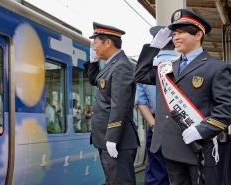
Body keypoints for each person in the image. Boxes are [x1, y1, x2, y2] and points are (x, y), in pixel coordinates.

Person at [135, 9, 231, 185]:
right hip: (171, 147)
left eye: (182, 32)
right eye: (174, 33)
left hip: (199, 148)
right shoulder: (167, 67)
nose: (176, 37)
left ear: (198, 34)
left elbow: (226, 109)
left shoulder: (216, 68)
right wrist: (154, 47)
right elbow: (140, 75)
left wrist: (201, 130)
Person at [84, 22, 140, 185]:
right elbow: (96, 81)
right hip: (108, 139)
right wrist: (93, 62)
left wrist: (112, 138)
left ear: (108, 42)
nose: (94, 48)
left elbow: (119, 105)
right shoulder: (113, 65)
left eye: (96, 44)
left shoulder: (121, 67)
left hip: (118, 141)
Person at [135, 26, 179, 185]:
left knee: (156, 169)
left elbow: (141, 102)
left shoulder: (146, 68)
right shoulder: (183, 62)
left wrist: (153, 125)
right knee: (181, 170)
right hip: (181, 122)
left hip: (156, 123)